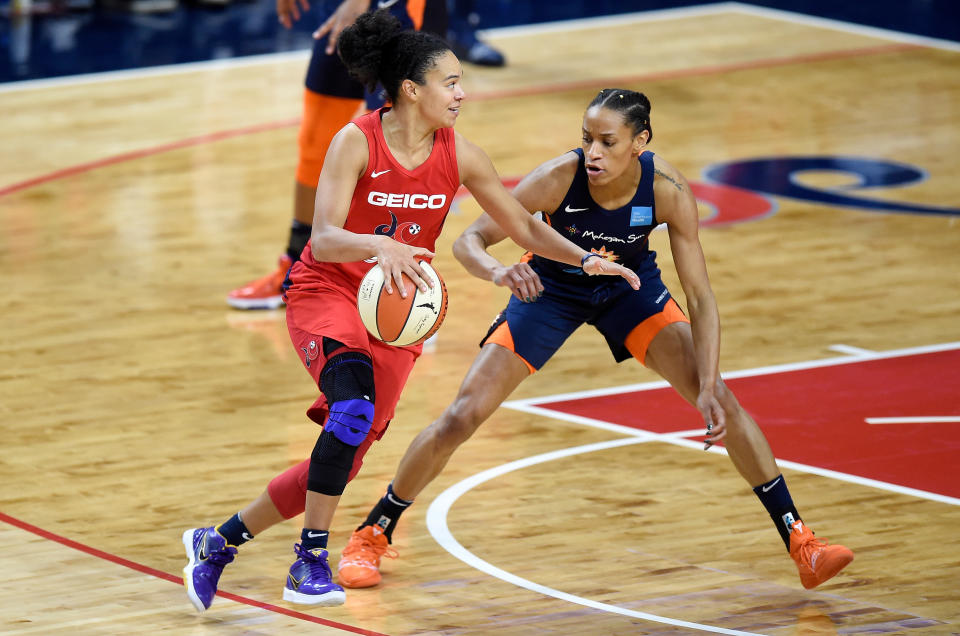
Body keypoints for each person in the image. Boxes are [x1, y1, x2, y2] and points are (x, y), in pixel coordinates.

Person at [183, 12, 640, 611]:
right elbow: (321, 239)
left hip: (397, 317)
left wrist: (585, 260)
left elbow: (523, 224)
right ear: (411, 90)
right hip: (328, 291)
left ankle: (218, 542)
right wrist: (381, 245)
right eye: (450, 83)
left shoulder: (462, 155)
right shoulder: (356, 140)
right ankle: (309, 560)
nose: (461, 92)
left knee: (341, 460)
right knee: (350, 411)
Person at [335, 88, 856, 591]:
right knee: (462, 415)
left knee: (721, 398)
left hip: (628, 290)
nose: (593, 152)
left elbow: (701, 298)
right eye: (587, 138)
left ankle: (801, 541)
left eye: (608, 141)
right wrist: (499, 273)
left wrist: (707, 382)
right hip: (551, 289)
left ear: (640, 142)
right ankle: (374, 530)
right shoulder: (558, 179)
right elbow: (470, 239)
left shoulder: (668, 190)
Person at [226, 0, 448, 309]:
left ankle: (409, 290)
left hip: (397, 9)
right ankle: (296, 268)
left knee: (395, 145)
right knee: (316, 142)